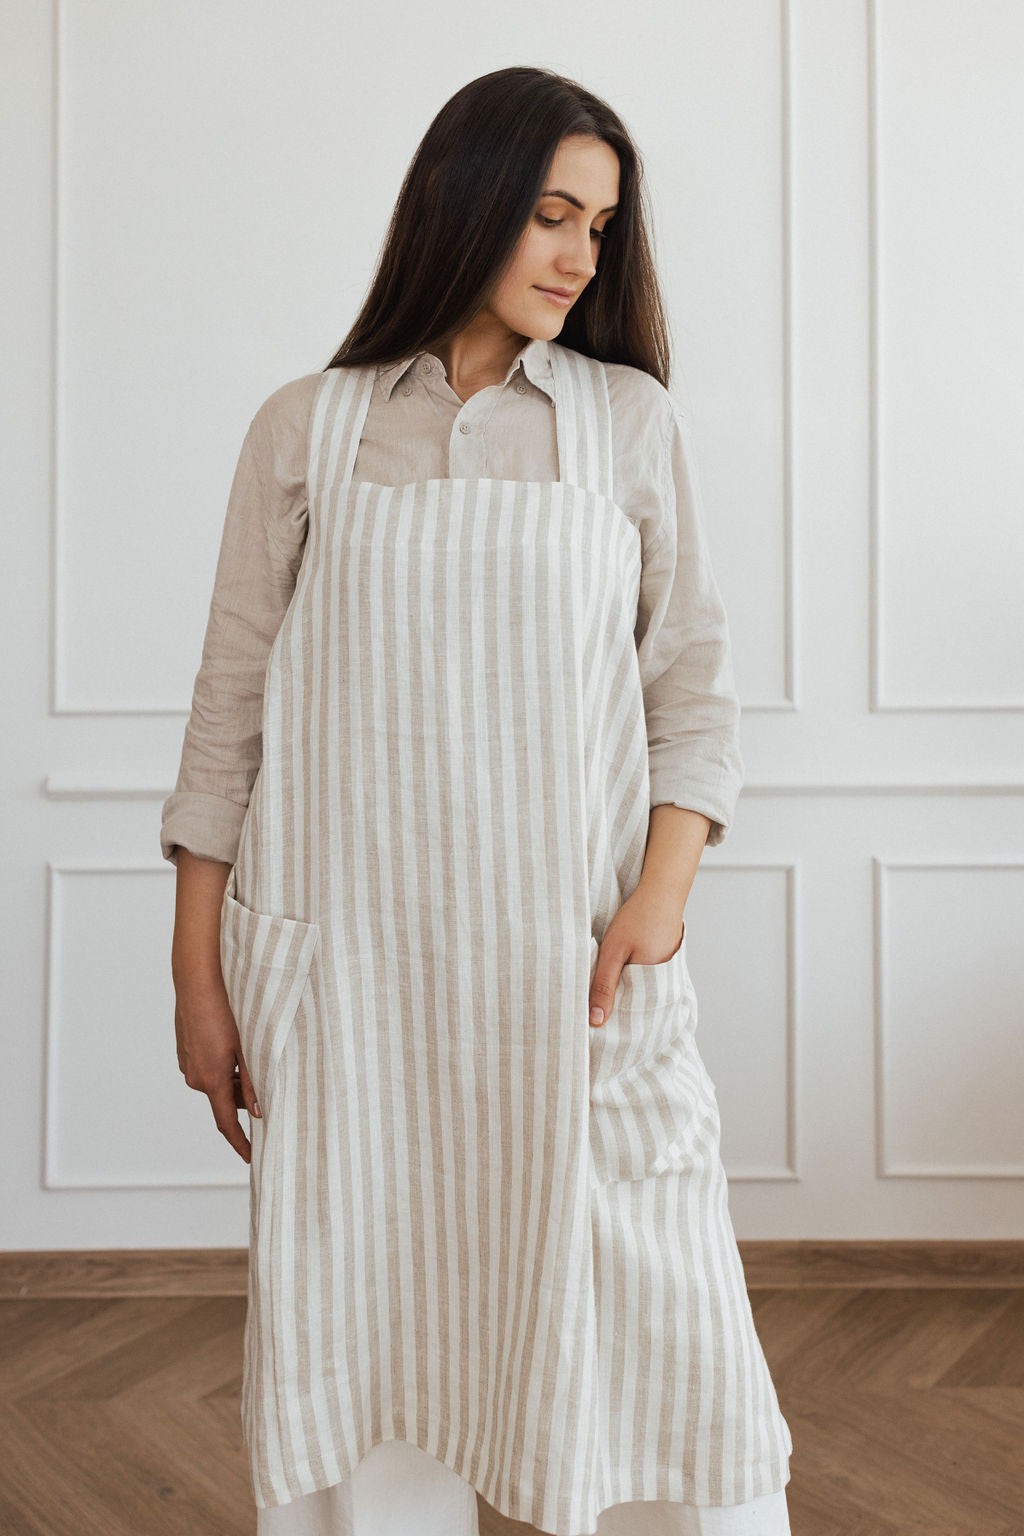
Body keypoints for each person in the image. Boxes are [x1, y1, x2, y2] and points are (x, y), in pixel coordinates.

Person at [162, 65, 794, 1536]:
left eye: (601, 228)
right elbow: (227, 718)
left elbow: (694, 693)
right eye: (552, 215)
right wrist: (199, 978)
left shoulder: (628, 423)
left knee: (662, 1337)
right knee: (370, 1330)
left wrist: (658, 903)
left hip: (573, 973)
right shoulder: (306, 430)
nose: (580, 257)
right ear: (465, 204)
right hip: (355, 986)